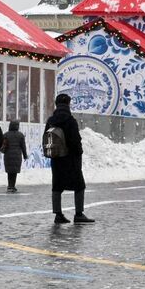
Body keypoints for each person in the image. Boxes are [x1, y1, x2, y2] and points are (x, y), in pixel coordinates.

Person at [47, 92, 92, 224]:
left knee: (57, 186)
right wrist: (79, 152)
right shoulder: (70, 120)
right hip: (71, 158)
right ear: (68, 104)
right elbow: (75, 140)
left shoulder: (51, 121)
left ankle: (58, 214)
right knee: (79, 185)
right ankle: (78, 214)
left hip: (56, 158)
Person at [2, 119, 26, 193]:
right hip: (17, 155)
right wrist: (25, 155)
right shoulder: (20, 135)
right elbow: (23, 147)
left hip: (8, 155)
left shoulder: (6, 134)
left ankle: (9, 185)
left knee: (9, 171)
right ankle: (12, 186)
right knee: (14, 171)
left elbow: (2, 145)